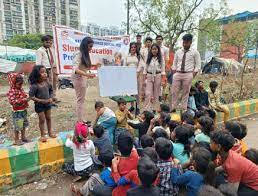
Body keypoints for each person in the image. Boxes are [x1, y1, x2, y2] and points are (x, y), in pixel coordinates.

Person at [210, 131, 258, 195]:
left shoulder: (233, 165)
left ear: (218, 147)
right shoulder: (228, 153)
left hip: (254, 187)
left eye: (211, 143)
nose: (209, 144)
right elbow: (224, 166)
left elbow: (232, 191)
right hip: (246, 180)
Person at [171, 34, 201, 112]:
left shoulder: (195, 52)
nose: (184, 44)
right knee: (174, 92)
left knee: (185, 92)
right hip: (177, 73)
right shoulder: (178, 51)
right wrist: (174, 72)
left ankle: (183, 109)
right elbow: (174, 63)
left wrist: (192, 75)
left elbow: (198, 65)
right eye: (183, 42)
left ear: (190, 42)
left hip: (188, 74)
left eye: (186, 43)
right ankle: (173, 108)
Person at [71, 37, 96, 122]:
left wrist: (95, 65)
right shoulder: (79, 53)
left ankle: (82, 119)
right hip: (78, 78)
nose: (91, 49)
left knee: (81, 99)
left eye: (92, 47)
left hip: (83, 77)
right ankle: (81, 121)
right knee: (80, 100)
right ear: (85, 45)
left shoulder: (85, 54)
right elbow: (75, 69)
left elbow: (85, 65)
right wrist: (87, 74)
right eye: (90, 46)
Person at [29, 65, 56, 142]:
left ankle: (50, 132)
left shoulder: (47, 83)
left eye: (45, 72)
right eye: (42, 72)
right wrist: (41, 101)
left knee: (49, 118)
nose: (45, 74)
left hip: (48, 104)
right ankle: (42, 135)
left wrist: (51, 97)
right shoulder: (34, 86)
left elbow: (51, 90)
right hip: (39, 105)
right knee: (42, 119)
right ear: (37, 74)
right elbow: (31, 96)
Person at [111, 131, 139, 196]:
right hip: (134, 187)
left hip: (122, 191)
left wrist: (115, 168)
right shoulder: (136, 155)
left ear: (118, 147)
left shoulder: (116, 163)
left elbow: (116, 180)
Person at [7, 73, 30, 145]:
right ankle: (16, 139)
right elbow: (13, 102)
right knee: (18, 126)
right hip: (17, 112)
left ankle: (23, 137)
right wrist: (23, 100)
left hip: (23, 110)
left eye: (21, 84)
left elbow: (24, 95)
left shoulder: (21, 89)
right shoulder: (12, 91)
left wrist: (27, 98)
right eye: (19, 84)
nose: (20, 86)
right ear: (13, 83)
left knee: (23, 124)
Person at [143, 43, 166, 111]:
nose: (154, 50)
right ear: (151, 50)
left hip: (158, 76)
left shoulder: (161, 58)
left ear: (158, 50)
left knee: (156, 94)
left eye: (155, 49)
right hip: (149, 76)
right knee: (148, 93)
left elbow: (163, 70)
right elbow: (145, 69)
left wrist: (162, 80)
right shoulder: (148, 57)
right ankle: (146, 110)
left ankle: (155, 110)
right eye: (153, 49)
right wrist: (144, 79)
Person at [36, 35, 58, 102]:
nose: (48, 44)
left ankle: (51, 99)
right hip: (44, 70)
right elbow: (38, 63)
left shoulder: (48, 50)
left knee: (50, 84)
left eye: (49, 42)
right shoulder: (40, 51)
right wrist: (40, 73)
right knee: (46, 85)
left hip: (49, 69)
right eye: (46, 42)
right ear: (42, 42)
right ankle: (47, 100)